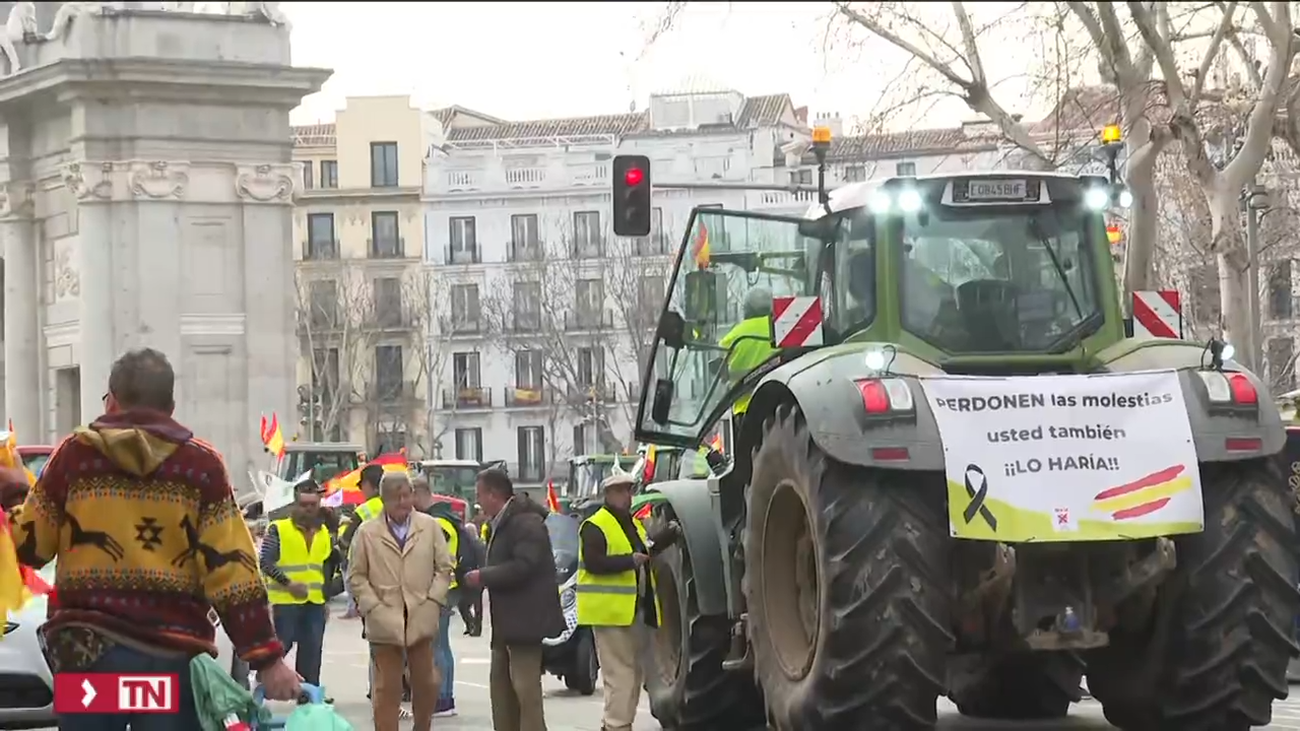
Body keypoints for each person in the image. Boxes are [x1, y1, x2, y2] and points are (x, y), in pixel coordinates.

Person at [10, 348, 301, 731]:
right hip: (171, 657)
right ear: (171, 405)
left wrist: (15, 494)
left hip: (88, 658)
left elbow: (32, 547)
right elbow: (232, 569)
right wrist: (266, 658)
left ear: (111, 400)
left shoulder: (75, 457)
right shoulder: (202, 465)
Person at [348, 471, 454, 731]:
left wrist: (433, 601)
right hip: (384, 620)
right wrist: (372, 606)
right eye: (397, 498)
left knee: (426, 683)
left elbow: (444, 568)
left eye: (407, 496)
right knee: (386, 689)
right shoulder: (367, 532)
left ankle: (422, 726)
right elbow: (357, 576)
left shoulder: (429, 527)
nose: (404, 502)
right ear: (384, 500)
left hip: (421, 614)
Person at [464, 468, 565, 731]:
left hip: (525, 623)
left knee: (525, 692)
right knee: (501, 692)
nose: (478, 502)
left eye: (480, 495)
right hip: (507, 626)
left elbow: (524, 566)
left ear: (493, 494)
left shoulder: (525, 522)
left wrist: (483, 576)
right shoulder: (503, 521)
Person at [578, 473, 680, 731]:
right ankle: (616, 726)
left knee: (633, 677)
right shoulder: (595, 525)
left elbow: (646, 549)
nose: (627, 496)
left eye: (629, 490)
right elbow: (593, 563)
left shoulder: (632, 524)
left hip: (634, 613)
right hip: (609, 615)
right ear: (608, 494)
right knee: (621, 678)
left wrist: (669, 534)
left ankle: (613, 726)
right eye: (621, 491)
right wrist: (628, 561)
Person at [258, 478, 339, 689]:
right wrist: (288, 583)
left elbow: (325, 569)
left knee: (312, 652)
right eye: (304, 505)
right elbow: (265, 562)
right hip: (285, 602)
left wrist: (326, 599)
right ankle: (258, 687)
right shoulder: (278, 529)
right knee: (279, 649)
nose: (309, 510)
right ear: (295, 505)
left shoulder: (324, 534)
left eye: (313, 505)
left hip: (315, 603)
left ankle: (310, 696)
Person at [413, 475, 475, 717]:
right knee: (441, 646)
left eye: (410, 496)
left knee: (437, 646)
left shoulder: (438, 523)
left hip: (441, 592)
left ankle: (443, 699)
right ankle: (443, 697)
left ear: (419, 494)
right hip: (446, 591)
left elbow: (440, 561)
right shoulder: (445, 518)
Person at [718, 286, 779, 430]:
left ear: (746, 309)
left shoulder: (730, 339)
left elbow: (722, 377)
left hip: (746, 412)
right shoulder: (781, 330)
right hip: (781, 407)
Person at [338, 463, 384, 619]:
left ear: (369, 485)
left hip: (365, 562)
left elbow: (346, 538)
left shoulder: (364, 509)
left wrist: (341, 548)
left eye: (362, 486)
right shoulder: (395, 505)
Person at [458, 518, 486, 637]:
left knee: (464, 604)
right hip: (479, 576)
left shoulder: (472, 545)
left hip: (473, 576)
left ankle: (472, 625)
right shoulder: (481, 544)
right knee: (476, 604)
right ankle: (475, 627)